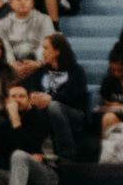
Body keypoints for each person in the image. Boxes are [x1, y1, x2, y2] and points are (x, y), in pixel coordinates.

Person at [24, 32, 87, 160]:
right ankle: (39, 153)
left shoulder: (76, 70)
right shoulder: (41, 70)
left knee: (53, 106)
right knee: (36, 108)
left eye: (46, 48)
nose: (43, 52)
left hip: (73, 113)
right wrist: (34, 95)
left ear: (57, 52)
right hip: (47, 111)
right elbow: (30, 86)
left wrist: (51, 98)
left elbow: (73, 94)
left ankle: (67, 155)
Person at [0, 83, 57, 185]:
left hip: (44, 175)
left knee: (19, 155)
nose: (17, 100)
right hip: (15, 176)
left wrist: (15, 118)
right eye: (14, 96)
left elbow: (26, 148)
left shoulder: (40, 118)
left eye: (21, 96)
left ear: (29, 100)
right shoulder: (1, 123)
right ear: (7, 101)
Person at [0, 0, 54, 82]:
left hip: (39, 63)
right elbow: (4, 47)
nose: (22, 2)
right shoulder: (1, 24)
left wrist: (38, 63)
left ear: (32, 2)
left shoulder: (44, 19)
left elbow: (46, 43)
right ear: (11, 3)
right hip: (11, 66)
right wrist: (12, 64)